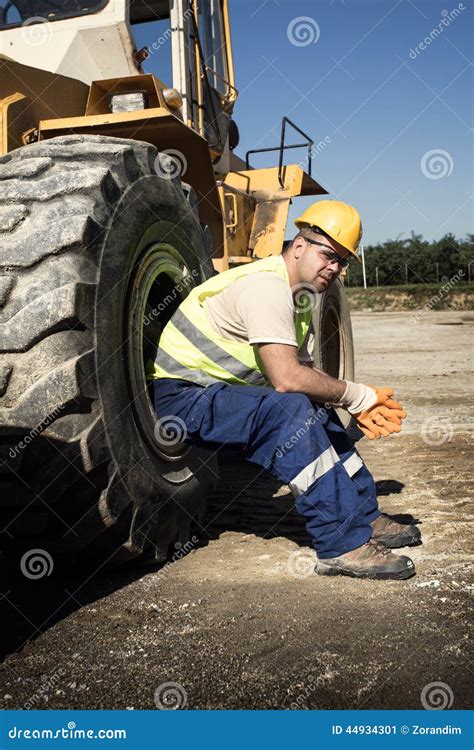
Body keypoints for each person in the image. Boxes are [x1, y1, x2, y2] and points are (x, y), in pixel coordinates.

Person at [150, 200, 421, 580]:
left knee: (314, 406)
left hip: (215, 393)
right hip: (180, 400)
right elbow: (287, 378)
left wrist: (342, 399)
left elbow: (305, 375)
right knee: (289, 408)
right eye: (328, 254)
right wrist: (357, 395)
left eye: (342, 261)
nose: (334, 268)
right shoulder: (265, 286)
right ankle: (342, 544)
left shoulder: (300, 298)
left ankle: (363, 515)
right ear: (298, 246)